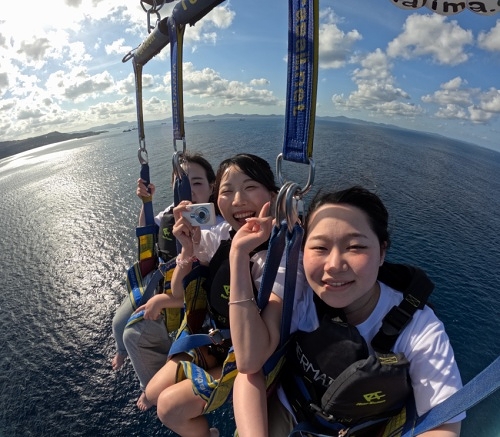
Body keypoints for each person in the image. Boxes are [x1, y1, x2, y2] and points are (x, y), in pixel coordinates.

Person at [229, 186, 464, 437]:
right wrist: (238, 255)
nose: (334, 265)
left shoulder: (419, 329)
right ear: (303, 250)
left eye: (355, 247)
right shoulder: (299, 290)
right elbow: (250, 362)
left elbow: (444, 425)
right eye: (320, 248)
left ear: (382, 252)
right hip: (289, 413)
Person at [143, 153, 281, 437]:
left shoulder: (278, 261)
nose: (238, 200)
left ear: (273, 195)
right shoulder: (219, 236)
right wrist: (187, 249)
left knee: (169, 407)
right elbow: (179, 292)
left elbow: (254, 355)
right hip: (212, 338)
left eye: (250, 187)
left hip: (242, 356)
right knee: (153, 393)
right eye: (227, 191)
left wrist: (240, 253)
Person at [110, 152, 219, 411]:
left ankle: (153, 387)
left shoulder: (215, 225)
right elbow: (149, 230)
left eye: (197, 183)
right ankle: (121, 352)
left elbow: (205, 279)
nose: (189, 191)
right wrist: (146, 203)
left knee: (133, 335)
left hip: (186, 295)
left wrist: (163, 300)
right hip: (159, 282)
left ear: (212, 186)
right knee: (118, 323)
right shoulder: (171, 213)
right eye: (181, 184)